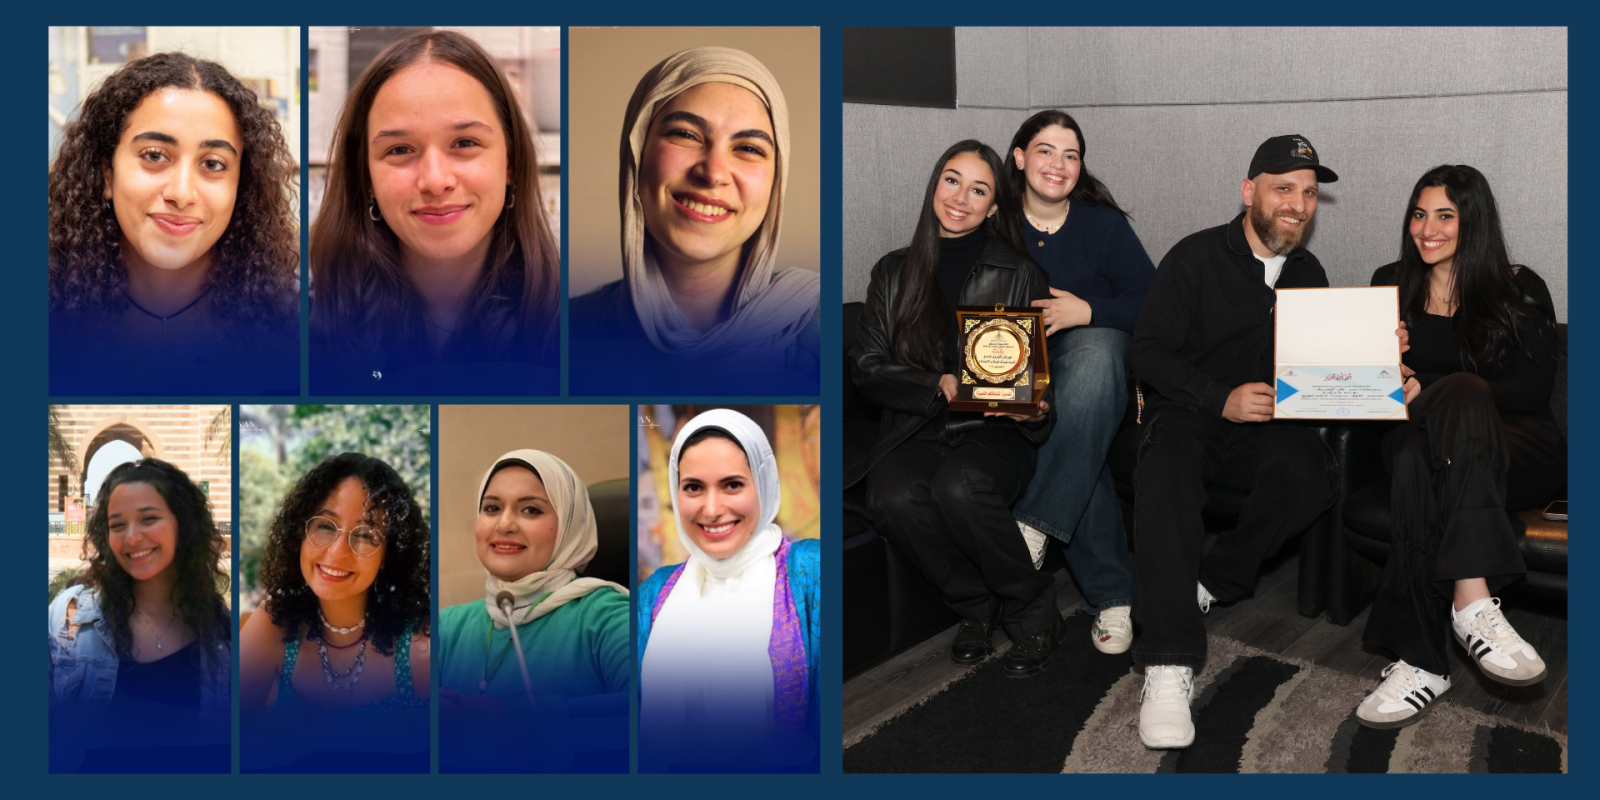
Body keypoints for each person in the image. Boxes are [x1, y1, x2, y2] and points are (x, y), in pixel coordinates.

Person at [1129, 135, 1402, 749]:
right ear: (1249, 191)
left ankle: (1212, 583)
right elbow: (1145, 351)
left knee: (1312, 476)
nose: (1299, 205)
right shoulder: (1194, 256)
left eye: (1308, 194)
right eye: (1285, 188)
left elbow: (1324, 366)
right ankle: (1169, 663)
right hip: (1190, 416)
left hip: (1268, 427)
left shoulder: (1309, 272)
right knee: (1166, 467)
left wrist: (1382, 357)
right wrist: (1216, 397)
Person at [1355, 165, 1564, 728]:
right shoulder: (1388, 283)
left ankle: (1422, 661)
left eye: (1445, 215)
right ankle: (1470, 609)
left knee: (1443, 424)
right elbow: (1362, 386)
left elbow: (1534, 389)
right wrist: (1385, 369)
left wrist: (1445, 390)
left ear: (1474, 221)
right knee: (1412, 454)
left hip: (1517, 445)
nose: (1429, 228)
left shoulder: (1518, 285)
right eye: (1419, 214)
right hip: (1416, 430)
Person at [847, 140, 1060, 678]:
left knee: (958, 484)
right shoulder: (892, 271)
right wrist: (933, 383)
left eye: (979, 189)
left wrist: (1033, 411)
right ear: (934, 186)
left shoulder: (1020, 273)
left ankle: (1033, 608)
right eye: (952, 180)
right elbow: (867, 366)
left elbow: (1037, 390)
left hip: (992, 432)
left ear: (994, 206)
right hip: (915, 428)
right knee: (891, 495)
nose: (961, 197)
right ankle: (974, 605)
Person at [310, 30, 560, 395]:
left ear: (511, 162)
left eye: (464, 143)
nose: (435, 180)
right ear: (366, 177)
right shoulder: (296, 334)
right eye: (399, 150)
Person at [569, 47, 820, 396]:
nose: (713, 173)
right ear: (638, 153)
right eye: (686, 135)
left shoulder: (821, 327)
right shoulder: (560, 335)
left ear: (777, 180)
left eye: (749, 148)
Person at [48, 51, 299, 395]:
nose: (182, 194)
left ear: (241, 188)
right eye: (154, 156)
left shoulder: (302, 329)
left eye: (213, 164)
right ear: (108, 173)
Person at [999, 110, 1154, 654]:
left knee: (1097, 353)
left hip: (1095, 366)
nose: (1058, 164)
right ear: (1019, 158)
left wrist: (1087, 310)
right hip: (1011, 371)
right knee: (1080, 444)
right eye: (1045, 150)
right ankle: (1114, 598)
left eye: (1070, 154)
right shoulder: (995, 221)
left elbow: (1151, 304)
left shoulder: (1102, 225)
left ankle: (1033, 525)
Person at [638, 409, 820, 772]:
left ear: (764, 485)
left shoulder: (809, 572)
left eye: (732, 485)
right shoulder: (653, 593)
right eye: (693, 487)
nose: (711, 509)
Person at [437, 450, 630, 772]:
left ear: (571, 525)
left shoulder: (606, 617)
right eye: (492, 508)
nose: (505, 524)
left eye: (530, 510)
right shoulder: (447, 626)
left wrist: (514, 721)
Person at [240, 453, 431, 772]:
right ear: (299, 534)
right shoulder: (273, 624)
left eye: (365, 535)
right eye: (325, 526)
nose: (336, 552)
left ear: (389, 553)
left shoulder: (422, 642)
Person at [47, 459, 232, 773]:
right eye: (117, 525)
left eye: (149, 518)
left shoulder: (223, 635)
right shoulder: (69, 618)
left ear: (182, 524)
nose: (132, 537)